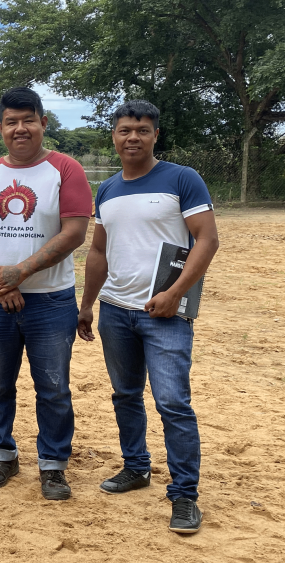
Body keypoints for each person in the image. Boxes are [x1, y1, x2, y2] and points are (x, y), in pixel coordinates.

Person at [78, 100, 218, 533]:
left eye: (141, 129)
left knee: (173, 403)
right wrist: (87, 304)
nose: (132, 137)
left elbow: (207, 240)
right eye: (124, 130)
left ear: (156, 134)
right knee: (125, 395)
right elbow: (99, 251)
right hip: (116, 311)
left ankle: (184, 495)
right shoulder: (108, 189)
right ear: (114, 136)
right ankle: (136, 467)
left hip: (165, 313)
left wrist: (175, 294)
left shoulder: (181, 178)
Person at [0, 87, 92, 500]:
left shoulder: (66, 170)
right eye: (11, 122)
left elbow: (74, 232)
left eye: (28, 120)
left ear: (43, 123)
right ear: (0, 128)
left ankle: (53, 465)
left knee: (53, 386)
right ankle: (1, 455)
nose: (20, 128)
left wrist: (22, 273)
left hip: (50, 300)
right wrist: (0, 282)